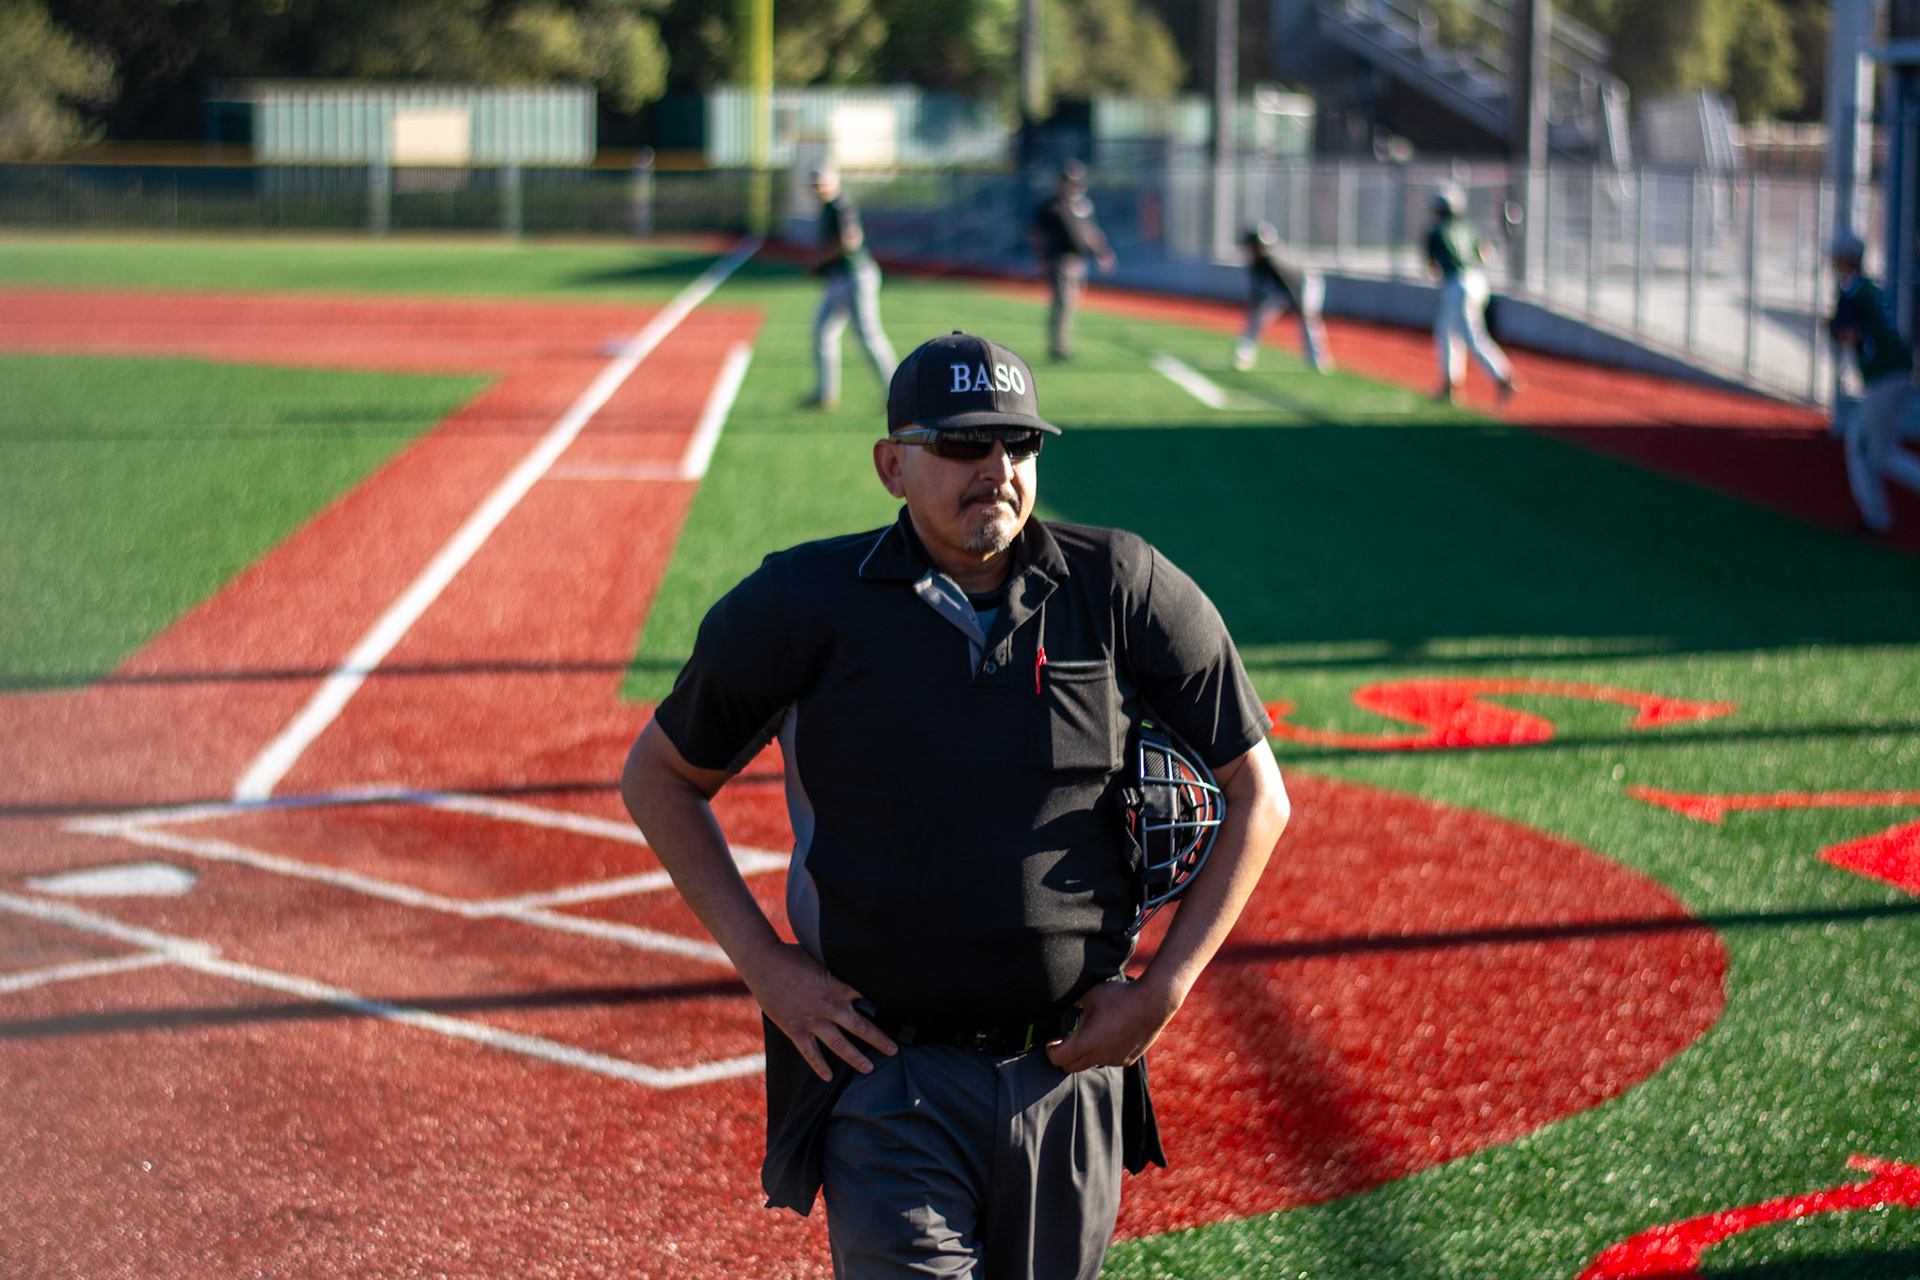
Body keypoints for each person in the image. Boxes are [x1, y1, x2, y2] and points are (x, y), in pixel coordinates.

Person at [621, 330, 1291, 1279]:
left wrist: (1164, 991)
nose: (997, 468)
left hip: (1068, 1076)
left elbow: (1259, 795)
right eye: (964, 443)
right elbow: (659, 777)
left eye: (1020, 444)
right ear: (892, 465)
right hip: (887, 1082)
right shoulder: (804, 601)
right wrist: (766, 966)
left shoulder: (1121, 584)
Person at [1828, 230, 1920, 534]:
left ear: (1845, 259)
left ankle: (1876, 518)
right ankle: (1875, 516)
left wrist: (1834, 329)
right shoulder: (1868, 289)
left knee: (1880, 452)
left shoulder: (1854, 292)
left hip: (1885, 376)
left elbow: (1849, 333)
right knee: (1859, 441)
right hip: (1893, 373)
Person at [808, 164, 898, 410]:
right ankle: (825, 394)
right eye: (814, 185)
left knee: (869, 335)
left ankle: (895, 393)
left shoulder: (840, 206)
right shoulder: (827, 208)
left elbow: (849, 240)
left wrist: (820, 259)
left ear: (834, 182)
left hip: (855, 277)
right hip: (840, 278)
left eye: (821, 184)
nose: (817, 189)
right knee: (823, 332)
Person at [1426, 187, 1516, 404]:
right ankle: (1450, 385)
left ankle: (1503, 376)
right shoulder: (1468, 228)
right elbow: (1484, 254)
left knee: (1471, 335)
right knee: (1446, 330)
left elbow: (1432, 267)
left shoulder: (1436, 232)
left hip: (1457, 284)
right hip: (1477, 280)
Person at [1031, 161, 1117, 362]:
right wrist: (1042, 259)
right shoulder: (1052, 207)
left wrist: (1102, 252)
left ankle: (1060, 344)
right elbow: (1038, 236)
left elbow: (1091, 232)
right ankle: (1059, 347)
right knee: (1064, 302)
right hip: (1061, 259)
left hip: (1080, 260)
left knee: (1071, 303)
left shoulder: (1083, 206)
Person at [1234, 222, 1333, 374]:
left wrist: (1298, 307)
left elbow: (1288, 285)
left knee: (1308, 318)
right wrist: (1256, 306)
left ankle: (1318, 360)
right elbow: (1257, 289)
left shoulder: (1274, 261)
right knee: (1258, 317)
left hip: (1306, 283)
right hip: (1283, 289)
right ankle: (1243, 355)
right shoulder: (1256, 263)